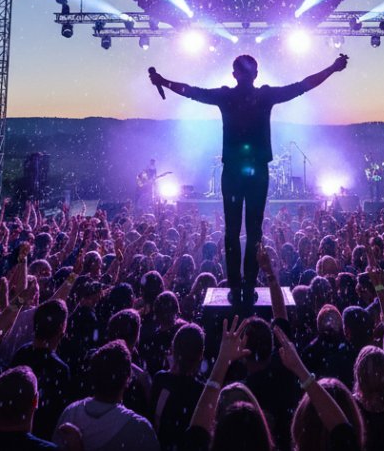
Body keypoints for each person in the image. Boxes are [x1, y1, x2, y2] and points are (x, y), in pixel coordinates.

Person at [149, 54, 348, 305]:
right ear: (256, 74)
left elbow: (192, 92)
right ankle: (248, 287)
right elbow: (302, 86)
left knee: (232, 232)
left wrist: (164, 81)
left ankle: (235, 288)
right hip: (256, 171)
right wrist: (331, 68)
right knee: (254, 232)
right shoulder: (264, 96)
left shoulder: (226, 96)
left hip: (233, 171)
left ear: (234, 75)